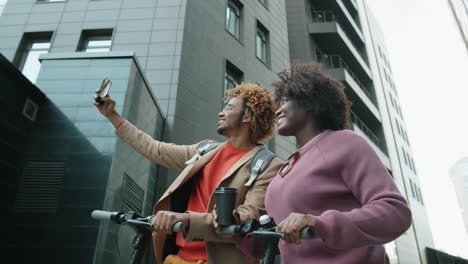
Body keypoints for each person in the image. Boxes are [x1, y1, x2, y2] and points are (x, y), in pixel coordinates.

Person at [94, 82, 282, 264]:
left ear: (247, 116)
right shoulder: (205, 150)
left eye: (228, 108)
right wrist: (113, 116)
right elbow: (155, 149)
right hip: (177, 258)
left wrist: (186, 218)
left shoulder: (268, 165)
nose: (221, 112)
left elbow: (247, 218)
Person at [264, 63, 412, 263]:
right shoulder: (286, 169)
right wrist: (235, 230)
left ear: (309, 100)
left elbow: (395, 213)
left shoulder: (345, 142)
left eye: (285, 100)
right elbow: (281, 245)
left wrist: (320, 224)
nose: (278, 110)